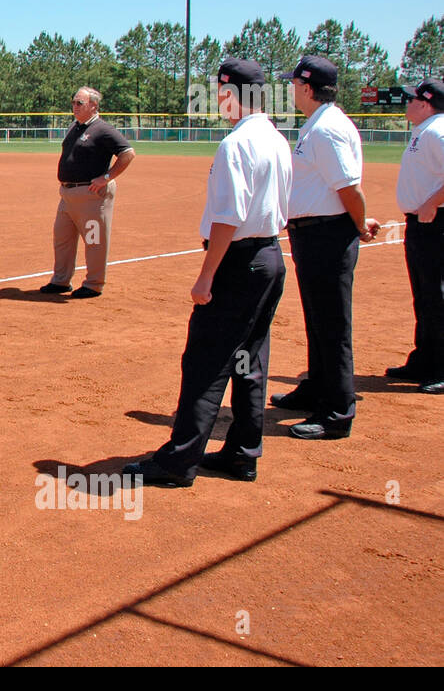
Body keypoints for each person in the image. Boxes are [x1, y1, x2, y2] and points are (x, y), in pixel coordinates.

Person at [124, 59, 292, 487]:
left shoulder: (236, 144)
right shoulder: (276, 137)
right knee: (249, 361)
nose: (218, 98)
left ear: (233, 91)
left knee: (205, 362)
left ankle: (178, 463)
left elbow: (227, 218)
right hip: (270, 256)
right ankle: (242, 454)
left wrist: (206, 276)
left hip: (238, 262)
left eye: (220, 90)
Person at [270, 55, 380, 440]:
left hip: (328, 235)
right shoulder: (318, 124)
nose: (290, 90)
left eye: (293, 84)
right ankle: (318, 388)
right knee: (319, 319)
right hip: (314, 233)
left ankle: (337, 412)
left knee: (332, 323)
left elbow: (349, 188)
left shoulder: (327, 129)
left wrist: (359, 225)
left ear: (306, 87)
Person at [38, 87, 135, 298]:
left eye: (79, 103)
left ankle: (94, 284)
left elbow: (127, 153)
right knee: (62, 239)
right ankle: (61, 281)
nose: (74, 106)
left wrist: (107, 177)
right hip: (68, 196)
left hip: (91, 196)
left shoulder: (102, 129)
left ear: (93, 106)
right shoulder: (75, 126)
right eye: (73, 102)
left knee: (94, 240)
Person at [388, 79, 444, 394]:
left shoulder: (437, 131)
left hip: (437, 222)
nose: (406, 104)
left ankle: (440, 365)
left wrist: (432, 202)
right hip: (423, 224)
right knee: (424, 294)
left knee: (436, 295)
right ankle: (424, 358)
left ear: (425, 103)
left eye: (411, 99)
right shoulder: (425, 130)